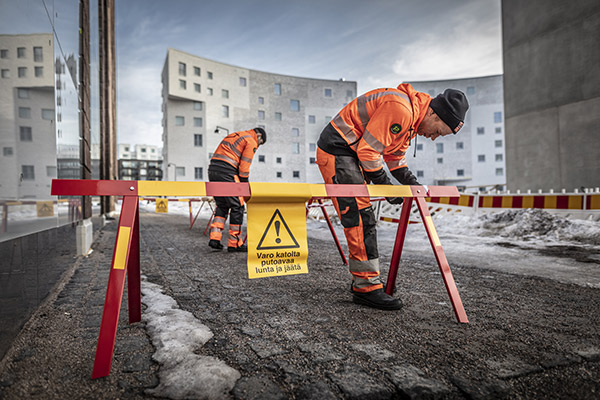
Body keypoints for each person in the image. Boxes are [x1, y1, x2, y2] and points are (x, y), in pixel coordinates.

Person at [316, 84, 469, 310]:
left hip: (351, 151)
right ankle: (365, 287)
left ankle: (366, 280)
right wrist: (386, 186)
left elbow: (395, 157)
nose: (434, 138)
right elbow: (368, 152)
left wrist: (412, 184)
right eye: (438, 131)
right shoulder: (401, 109)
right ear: (433, 113)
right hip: (337, 149)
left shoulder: (411, 121)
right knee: (359, 217)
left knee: (365, 217)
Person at [208, 127, 266, 252]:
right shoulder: (251, 141)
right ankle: (235, 244)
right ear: (259, 136)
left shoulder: (236, 135)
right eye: (260, 143)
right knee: (237, 206)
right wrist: (244, 186)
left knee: (222, 205)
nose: (258, 146)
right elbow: (244, 167)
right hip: (227, 172)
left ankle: (215, 238)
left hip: (213, 171)